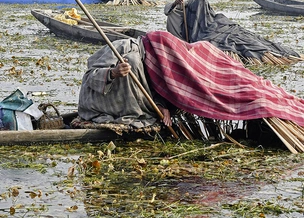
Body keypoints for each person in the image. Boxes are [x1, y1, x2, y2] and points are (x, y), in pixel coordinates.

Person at [78, 31, 304, 131]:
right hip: (99, 102)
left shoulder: (154, 60)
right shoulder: (122, 50)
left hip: (135, 103)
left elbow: (156, 87)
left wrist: (163, 106)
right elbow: (89, 77)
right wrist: (114, 73)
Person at [164, 0, 302, 63]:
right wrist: (178, 3)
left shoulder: (214, 18)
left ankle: (270, 54)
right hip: (199, 22)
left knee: (244, 38)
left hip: (222, 27)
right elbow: (169, 10)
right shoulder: (185, 13)